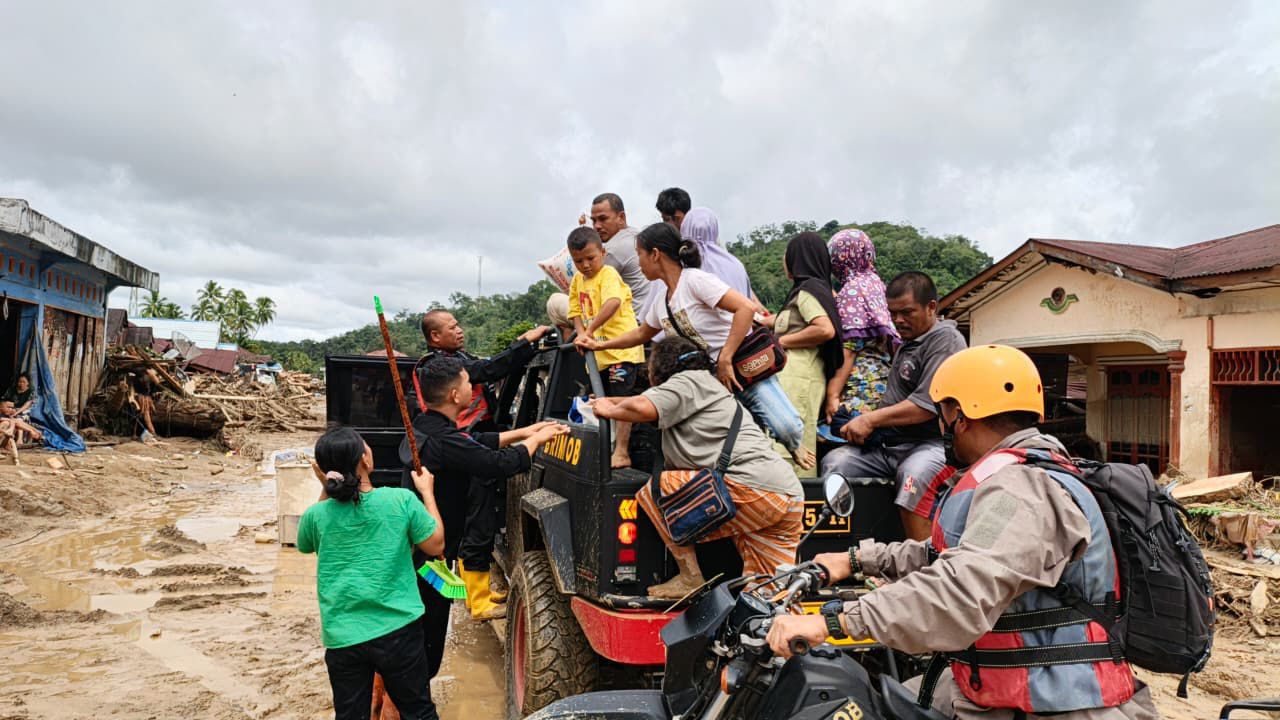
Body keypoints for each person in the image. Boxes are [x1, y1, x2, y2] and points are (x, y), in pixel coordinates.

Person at [766, 345, 1160, 720]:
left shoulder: (1023, 488)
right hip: (1001, 686)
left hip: (1058, 703)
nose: (940, 425)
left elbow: (962, 586)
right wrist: (854, 560)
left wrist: (832, 622)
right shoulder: (1013, 475)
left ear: (959, 414)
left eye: (941, 413)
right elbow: (943, 551)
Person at [582, 222, 813, 470]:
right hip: (710, 381)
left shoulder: (695, 281)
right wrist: (598, 345)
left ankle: (794, 446)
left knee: (787, 428)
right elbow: (640, 333)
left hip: (740, 367)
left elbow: (745, 308)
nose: (639, 263)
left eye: (640, 254)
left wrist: (726, 357)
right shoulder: (661, 301)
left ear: (655, 254)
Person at [591, 337, 803, 598]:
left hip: (752, 488)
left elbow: (642, 407)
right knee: (771, 593)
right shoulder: (708, 385)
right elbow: (645, 401)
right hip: (787, 494)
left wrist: (607, 410)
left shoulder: (687, 381)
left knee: (657, 490)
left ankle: (690, 577)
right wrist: (608, 401)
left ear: (660, 367)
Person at [400, 356, 568, 672]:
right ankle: (413, 692)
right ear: (455, 395)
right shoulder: (443, 440)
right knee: (426, 641)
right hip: (428, 559)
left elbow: (473, 442)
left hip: (421, 552)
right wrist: (536, 440)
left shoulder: (425, 427)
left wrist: (525, 431)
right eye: (468, 383)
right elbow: (498, 464)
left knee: (421, 628)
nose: (472, 388)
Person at [297, 425, 446, 720]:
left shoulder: (315, 515)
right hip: (399, 631)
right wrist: (427, 493)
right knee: (419, 712)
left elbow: (305, 544)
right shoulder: (401, 500)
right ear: (364, 460)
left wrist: (326, 487)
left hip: (343, 637)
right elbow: (436, 544)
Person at [819, 271, 966, 540]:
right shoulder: (907, 343)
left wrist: (870, 420)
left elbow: (926, 406)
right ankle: (848, 549)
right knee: (836, 464)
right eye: (893, 312)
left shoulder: (945, 340)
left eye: (907, 312)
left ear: (931, 307)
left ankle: (923, 561)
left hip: (932, 445)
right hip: (890, 446)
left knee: (914, 477)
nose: (898, 320)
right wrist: (862, 417)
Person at [759, 231, 842, 478]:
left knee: (790, 445)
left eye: (788, 256)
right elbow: (793, 320)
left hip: (799, 378)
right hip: (802, 377)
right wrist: (764, 320)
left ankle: (792, 495)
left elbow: (824, 329)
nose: (784, 262)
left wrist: (781, 342)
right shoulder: (814, 290)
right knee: (795, 441)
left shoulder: (807, 292)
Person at [566, 227, 646, 469]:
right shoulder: (577, 280)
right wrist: (581, 335)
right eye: (578, 261)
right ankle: (605, 448)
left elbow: (612, 302)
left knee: (621, 401)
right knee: (600, 401)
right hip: (597, 355)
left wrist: (589, 332)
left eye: (590, 258)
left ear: (603, 253)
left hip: (621, 350)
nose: (585, 265)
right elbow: (575, 312)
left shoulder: (608, 274)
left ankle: (621, 451)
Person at [418, 309, 550, 431]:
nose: (460, 331)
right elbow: (486, 369)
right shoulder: (438, 365)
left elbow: (491, 362)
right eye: (452, 328)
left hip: (483, 426)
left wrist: (519, 342)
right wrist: (524, 343)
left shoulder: (459, 356)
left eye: (458, 326)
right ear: (435, 336)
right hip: (467, 432)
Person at [822, 229, 898, 440]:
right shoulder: (878, 285)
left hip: (860, 384)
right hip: (883, 379)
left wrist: (832, 394)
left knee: (847, 438)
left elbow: (850, 348)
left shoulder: (852, 290)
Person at [589, 193, 651, 315]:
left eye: (603, 219)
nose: (597, 226)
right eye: (594, 221)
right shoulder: (634, 233)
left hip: (633, 318)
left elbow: (590, 286)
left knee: (557, 302)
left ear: (621, 217)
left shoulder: (613, 250)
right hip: (649, 312)